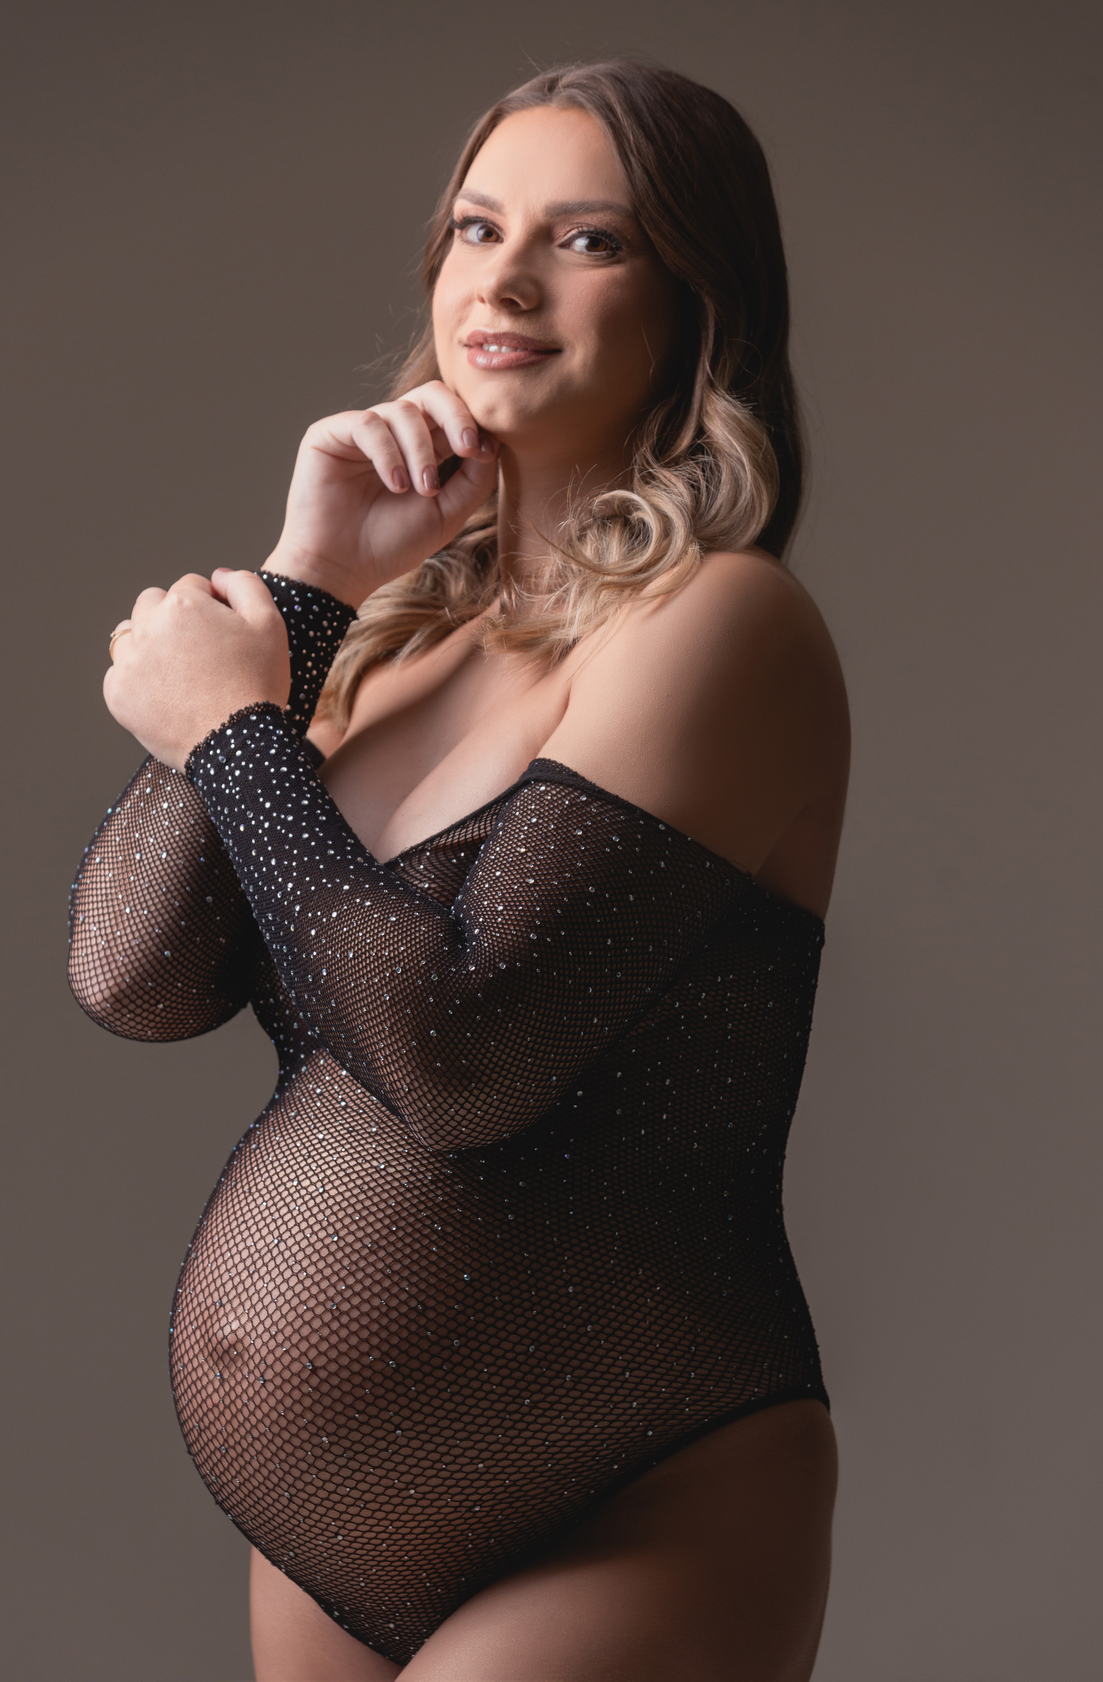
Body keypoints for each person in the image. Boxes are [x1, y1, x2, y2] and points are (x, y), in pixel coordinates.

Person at [70, 60, 847, 1682]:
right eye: (479, 229)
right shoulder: (394, 643)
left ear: (697, 303)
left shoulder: (722, 622)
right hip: (324, 1541)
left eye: (588, 240)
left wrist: (233, 729)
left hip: (638, 1482)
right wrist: (305, 588)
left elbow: (461, 1053)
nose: (506, 281)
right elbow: (134, 976)